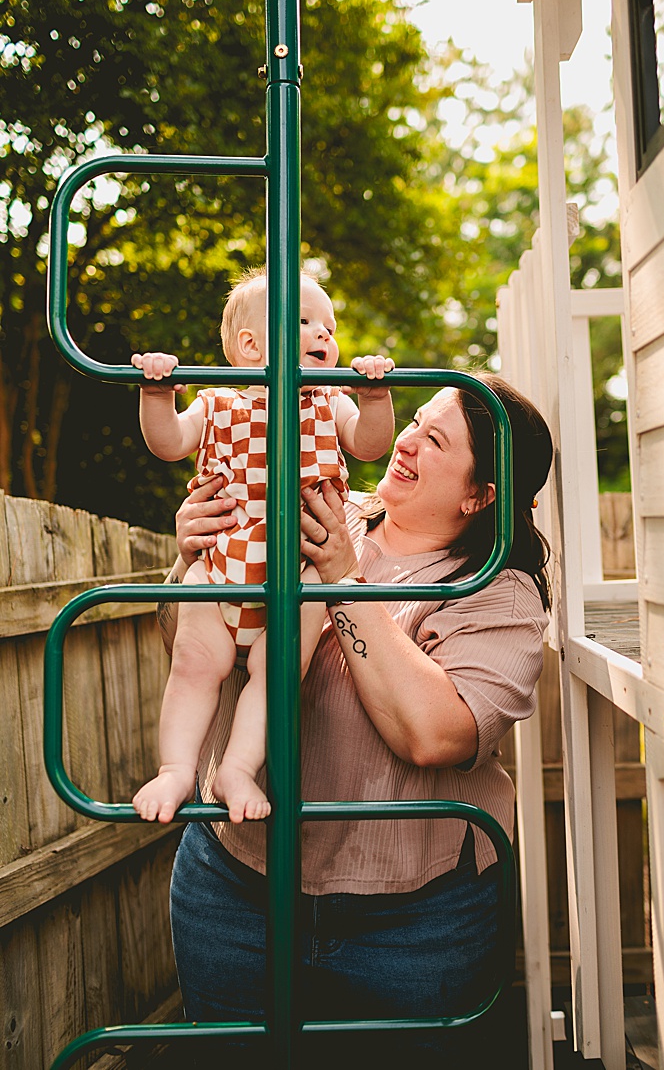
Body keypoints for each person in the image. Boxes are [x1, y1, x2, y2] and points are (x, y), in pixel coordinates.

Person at [160, 375, 551, 1063]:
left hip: (413, 923)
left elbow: (434, 733)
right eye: (416, 422)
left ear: (479, 494)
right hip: (237, 888)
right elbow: (188, 646)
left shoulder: (500, 591)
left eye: (435, 440)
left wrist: (346, 580)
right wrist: (190, 562)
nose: (405, 440)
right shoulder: (323, 512)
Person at [129, 268, 395, 823]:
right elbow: (169, 442)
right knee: (194, 667)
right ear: (250, 344)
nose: (326, 334)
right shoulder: (217, 403)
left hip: (294, 582)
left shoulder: (326, 403)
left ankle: (238, 768)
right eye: (306, 322)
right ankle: (176, 769)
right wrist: (156, 395)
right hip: (218, 570)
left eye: (330, 325)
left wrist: (374, 399)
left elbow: (370, 445)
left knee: (276, 677)